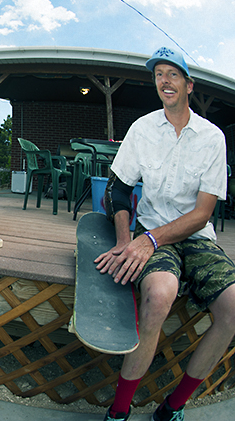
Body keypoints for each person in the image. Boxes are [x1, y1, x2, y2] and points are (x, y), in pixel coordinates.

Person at [96, 47, 235, 421]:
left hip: (196, 236)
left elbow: (204, 212)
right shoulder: (142, 129)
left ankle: (173, 406)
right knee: (159, 295)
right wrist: (126, 240)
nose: (164, 81)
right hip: (150, 227)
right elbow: (118, 190)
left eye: (173, 74)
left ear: (188, 85)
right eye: (159, 74)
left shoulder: (212, 137)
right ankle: (119, 410)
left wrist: (150, 240)